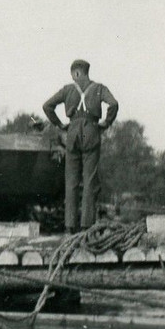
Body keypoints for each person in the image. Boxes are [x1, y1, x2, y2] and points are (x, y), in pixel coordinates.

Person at [42, 59, 119, 233]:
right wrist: (106, 123)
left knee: (71, 182)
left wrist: (59, 124)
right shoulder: (99, 88)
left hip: (72, 132)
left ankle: (70, 227)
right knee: (89, 180)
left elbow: (47, 106)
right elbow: (113, 104)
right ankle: (86, 226)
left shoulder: (67, 89)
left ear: (75, 73)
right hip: (92, 130)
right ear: (86, 71)